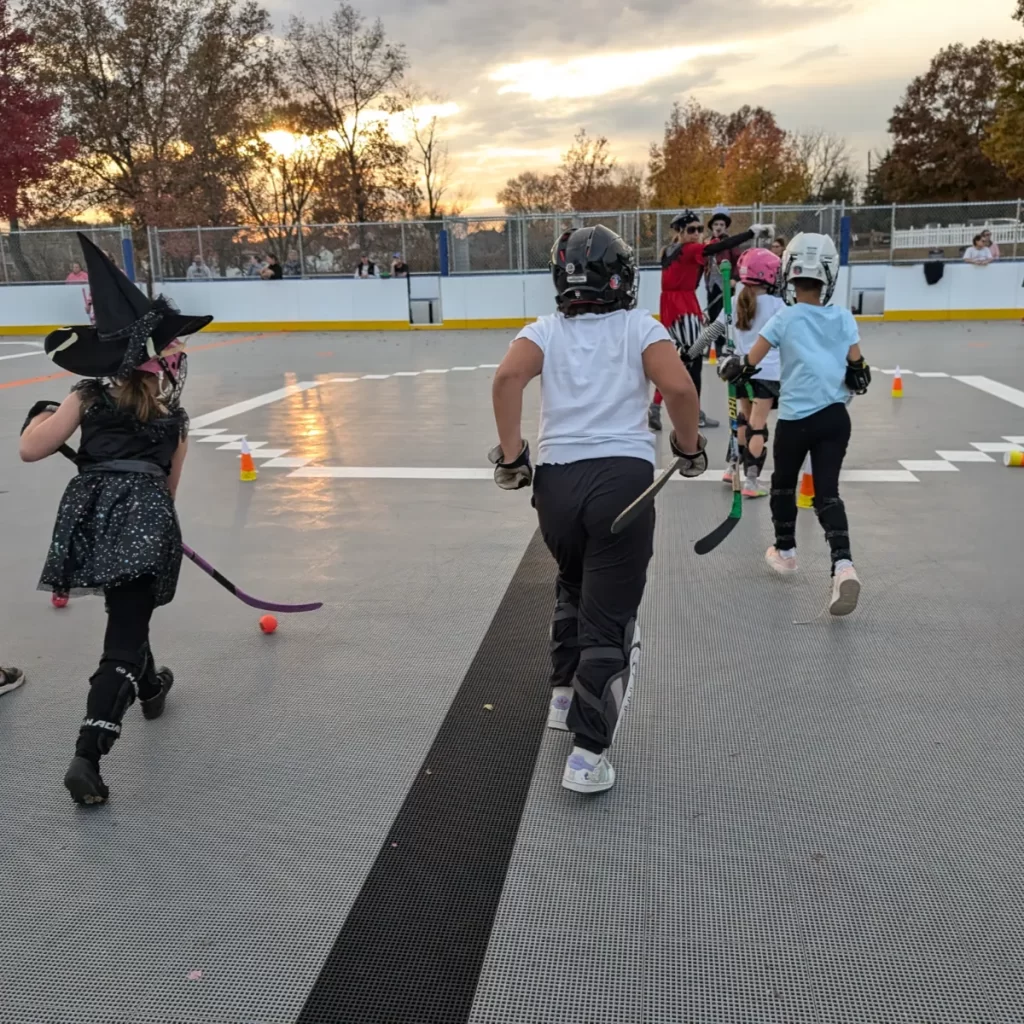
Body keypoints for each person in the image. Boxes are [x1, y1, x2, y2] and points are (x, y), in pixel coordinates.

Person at [490, 224, 707, 794]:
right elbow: (680, 391)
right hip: (621, 483)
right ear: (621, 278)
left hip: (556, 486)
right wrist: (688, 447)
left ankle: (563, 696)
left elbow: (508, 378)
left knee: (572, 582)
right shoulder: (640, 327)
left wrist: (513, 456)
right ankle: (587, 756)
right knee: (611, 619)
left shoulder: (544, 330)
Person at [20, 232, 212, 806]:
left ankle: (149, 687)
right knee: (123, 634)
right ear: (162, 364)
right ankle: (88, 753)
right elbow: (169, 490)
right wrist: (155, 526)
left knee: (126, 609)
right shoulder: (175, 420)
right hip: (147, 520)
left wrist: (41, 417)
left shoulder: (86, 397)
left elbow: (31, 449)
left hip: (92, 518)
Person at [718, 232, 870, 616]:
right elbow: (859, 373)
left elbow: (748, 363)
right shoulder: (843, 317)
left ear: (789, 273)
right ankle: (843, 564)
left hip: (796, 420)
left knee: (784, 486)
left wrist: (730, 366)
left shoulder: (784, 317)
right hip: (835, 419)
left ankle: (786, 551)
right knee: (827, 494)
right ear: (829, 275)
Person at [648, 210, 772, 433]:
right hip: (683, 308)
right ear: (680, 231)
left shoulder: (669, 250)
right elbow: (717, 247)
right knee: (692, 362)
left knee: (680, 360)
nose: (696, 234)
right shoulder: (689, 249)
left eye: (699, 229)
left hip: (672, 307)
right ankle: (693, 414)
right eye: (691, 230)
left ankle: (657, 407)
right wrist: (750, 233)